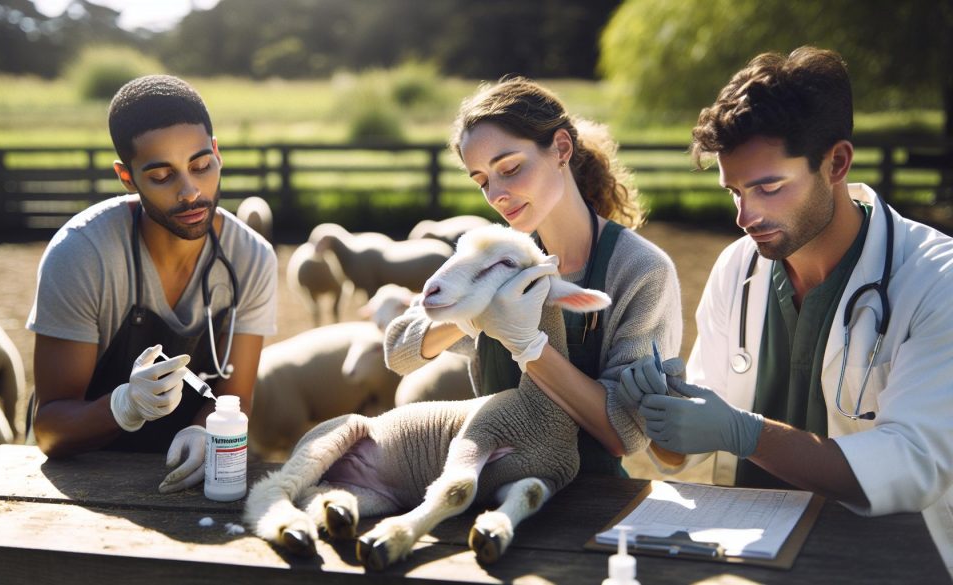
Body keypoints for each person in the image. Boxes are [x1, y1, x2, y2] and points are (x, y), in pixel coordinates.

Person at [620, 47, 953, 573]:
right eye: (733, 191)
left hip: (886, 563)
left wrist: (746, 433)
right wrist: (666, 422)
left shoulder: (937, 279)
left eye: (768, 187)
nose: (744, 217)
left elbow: (912, 467)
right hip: (748, 558)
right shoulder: (737, 268)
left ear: (836, 163)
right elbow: (699, 450)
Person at [384, 78, 683, 474]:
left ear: (561, 148)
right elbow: (400, 351)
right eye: (483, 181)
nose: (496, 195)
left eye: (509, 168)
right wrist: (472, 316)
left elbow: (624, 434)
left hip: (590, 501)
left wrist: (528, 345)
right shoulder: (501, 257)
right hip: (489, 485)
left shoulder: (641, 270)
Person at [27, 75, 277, 494]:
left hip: (184, 481)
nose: (190, 191)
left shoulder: (251, 257)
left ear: (217, 153)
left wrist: (205, 434)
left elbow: (236, 399)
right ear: (127, 177)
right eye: (162, 176)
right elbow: (50, 431)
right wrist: (125, 406)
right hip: (86, 481)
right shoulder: (81, 255)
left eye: (201, 166)